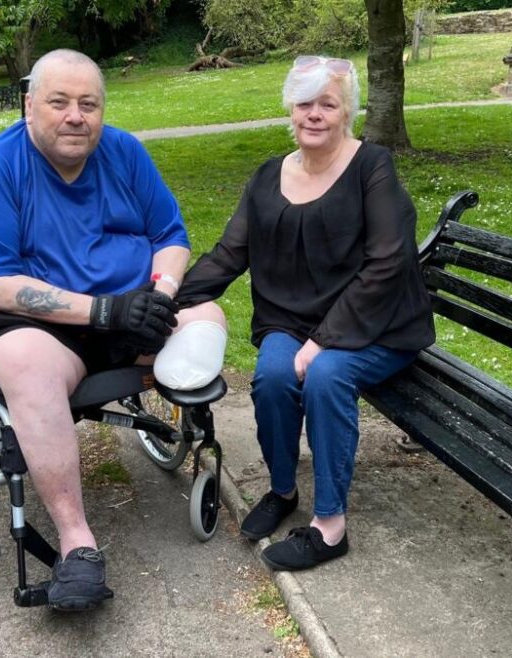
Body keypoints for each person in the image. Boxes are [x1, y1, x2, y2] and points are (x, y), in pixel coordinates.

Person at [0, 49, 225, 610]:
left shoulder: (124, 152)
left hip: (127, 310)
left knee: (207, 317)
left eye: (88, 104)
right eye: (59, 102)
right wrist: (103, 312)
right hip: (32, 327)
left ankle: (168, 378)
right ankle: (77, 542)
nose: (76, 116)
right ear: (30, 106)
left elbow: (171, 236)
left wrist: (160, 297)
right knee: (26, 363)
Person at [175, 55, 435, 571]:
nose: (314, 114)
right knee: (272, 377)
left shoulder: (371, 168)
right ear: (289, 112)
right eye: (304, 103)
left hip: (375, 325)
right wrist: (168, 301)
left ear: (346, 113)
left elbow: (388, 263)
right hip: (293, 322)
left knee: (325, 377)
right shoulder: (268, 176)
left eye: (327, 103)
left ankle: (330, 526)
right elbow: (230, 253)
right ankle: (282, 489)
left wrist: (324, 341)